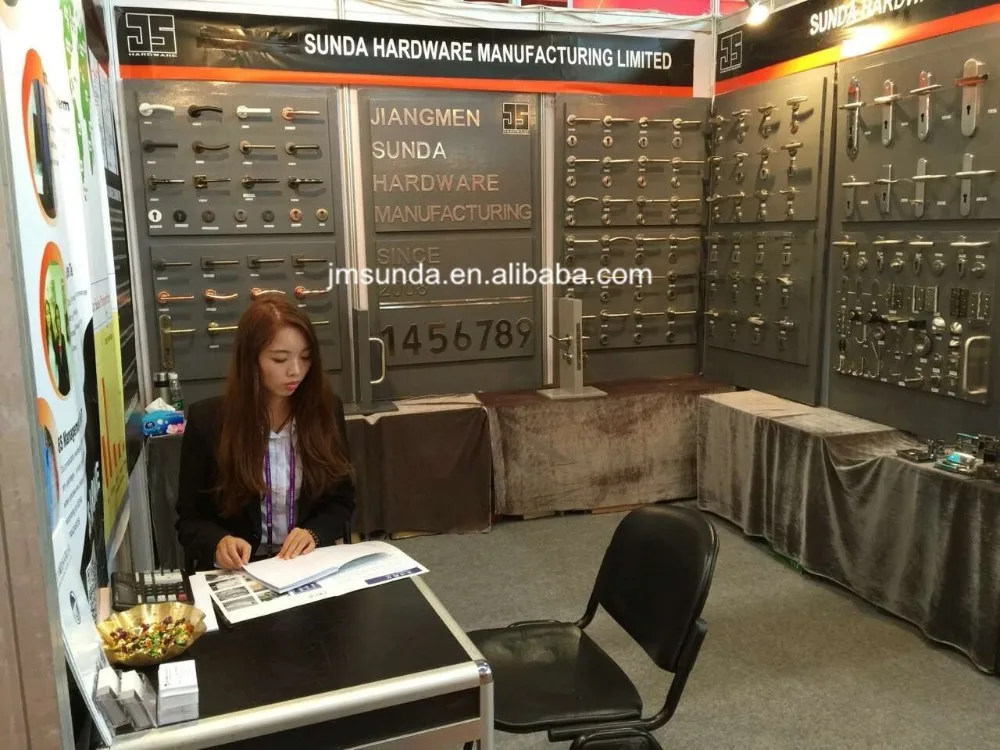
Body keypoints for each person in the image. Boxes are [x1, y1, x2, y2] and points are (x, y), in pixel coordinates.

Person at [176, 295, 355, 571]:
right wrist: (219, 542)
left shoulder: (326, 410)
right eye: (280, 359)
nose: (296, 371)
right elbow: (189, 520)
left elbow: (342, 500)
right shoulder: (209, 421)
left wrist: (314, 534)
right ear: (251, 360)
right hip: (241, 570)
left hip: (305, 565)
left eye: (306, 357)